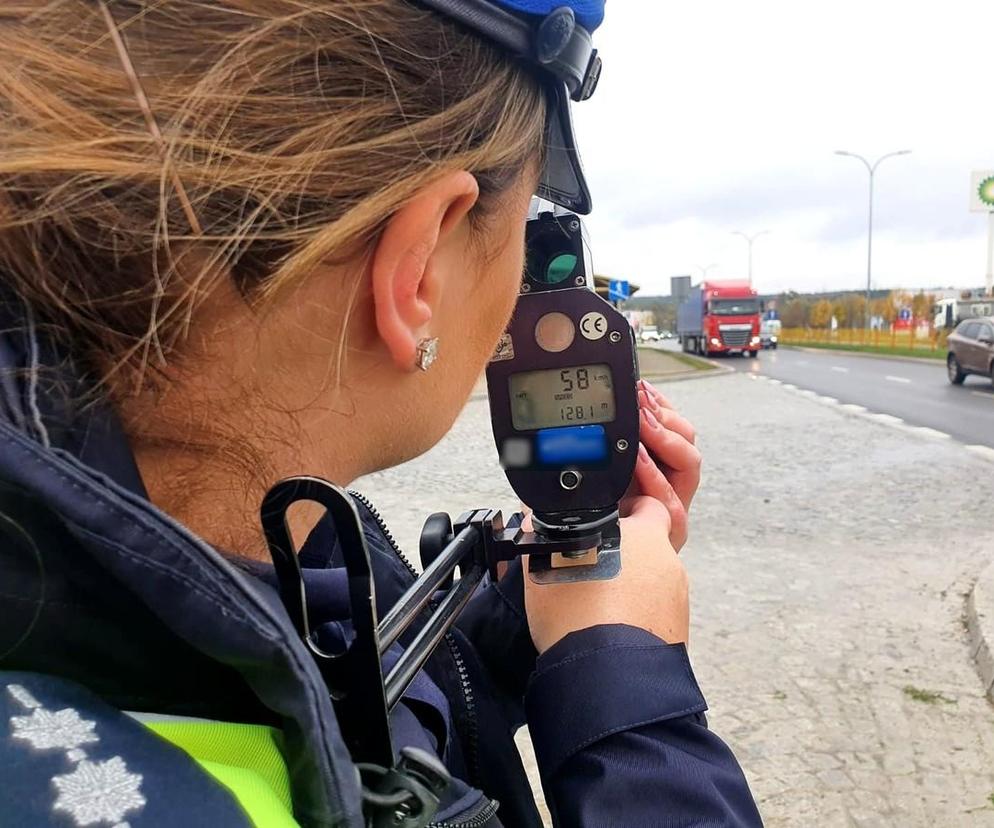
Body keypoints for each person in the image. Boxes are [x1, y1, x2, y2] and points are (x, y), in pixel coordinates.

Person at [0, 1, 762, 825]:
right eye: (525, 223)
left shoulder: (272, 536)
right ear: (419, 266)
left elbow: (318, 689)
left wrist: (518, 616)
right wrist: (627, 687)